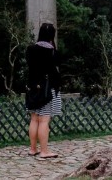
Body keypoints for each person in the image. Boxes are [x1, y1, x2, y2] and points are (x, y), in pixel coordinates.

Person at [26, 22, 64, 159]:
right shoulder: (53, 52)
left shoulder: (30, 49)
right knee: (44, 121)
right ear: (52, 35)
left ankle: (32, 149)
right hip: (47, 91)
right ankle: (44, 151)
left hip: (33, 90)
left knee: (34, 119)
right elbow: (57, 67)